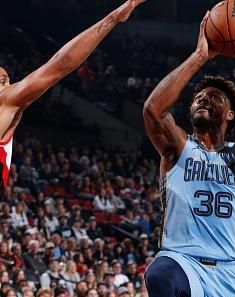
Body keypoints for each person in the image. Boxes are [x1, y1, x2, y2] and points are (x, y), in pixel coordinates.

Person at [143, 11, 235, 297]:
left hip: (232, 272)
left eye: (214, 97)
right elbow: (153, 111)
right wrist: (199, 56)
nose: (203, 99)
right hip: (184, 262)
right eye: (198, 98)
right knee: (159, 274)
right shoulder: (178, 147)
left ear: (230, 114)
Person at [0, 0, 146, 197]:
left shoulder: (6, 102)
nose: (8, 84)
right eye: (3, 81)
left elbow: (60, 64)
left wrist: (113, 18)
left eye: (6, 81)